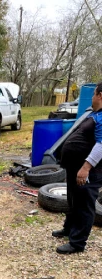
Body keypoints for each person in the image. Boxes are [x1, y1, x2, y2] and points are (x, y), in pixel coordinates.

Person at [52, 82, 102, 254]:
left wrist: (86, 167)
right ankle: (69, 229)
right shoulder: (96, 114)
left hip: (89, 170)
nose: (93, 97)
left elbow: (101, 145)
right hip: (75, 166)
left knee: (84, 204)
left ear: (100, 95)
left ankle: (77, 243)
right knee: (73, 200)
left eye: (94, 94)